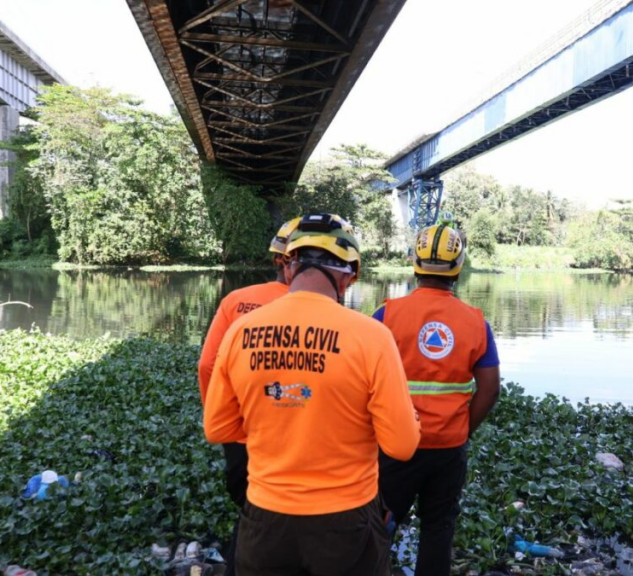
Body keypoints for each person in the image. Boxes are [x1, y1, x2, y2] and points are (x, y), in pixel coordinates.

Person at [203, 213, 421, 576]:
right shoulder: (370, 336)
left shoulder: (241, 330)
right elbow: (400, 446)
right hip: (345, 522)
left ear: (289, 269)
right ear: (348, 276)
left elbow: (217, 428)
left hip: (264, 519)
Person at [373, 223, 501, 576]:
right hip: (448, 448)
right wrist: (462, 430)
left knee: (381, 521)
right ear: (458, 266)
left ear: (414, 262)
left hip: (396, 445)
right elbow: (490, 389)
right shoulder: (476, 323)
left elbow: (359, 377)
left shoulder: (386, 315)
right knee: (438, 526)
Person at [197, 216, 299, 575]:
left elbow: (208, 366)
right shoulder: (321, 312)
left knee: (249, 504)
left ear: (278, 259)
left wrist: (221, 419)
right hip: (288, 430)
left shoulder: (236, 301)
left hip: (238, 431)